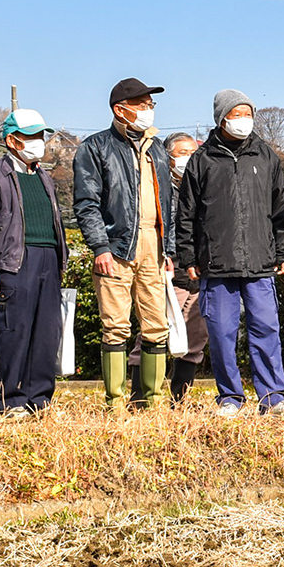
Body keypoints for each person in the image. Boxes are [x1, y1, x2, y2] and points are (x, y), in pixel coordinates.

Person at [176, 90, 284, 416]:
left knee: (266, 329)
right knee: (220, 333)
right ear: (222, 118)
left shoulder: (266, 156)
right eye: (237, 114)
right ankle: (230, 397)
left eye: (248, 113)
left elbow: (281, 210)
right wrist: (188, 258)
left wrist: (283, 252)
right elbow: (186, 214)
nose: (244, 120)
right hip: (216, 263)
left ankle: (273, 397)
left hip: (261, 261)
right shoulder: (202, 161)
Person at [73, 78, 173, 410]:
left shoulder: (156, 147)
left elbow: (168, 201)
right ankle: (115, 402)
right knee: (115, 325)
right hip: (115, 246)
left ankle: (151, 400)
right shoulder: (95, 147)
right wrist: (100, 246)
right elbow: (86, 203)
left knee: (156, 324)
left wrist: (167, 247)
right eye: (143, 105)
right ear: (121, 109)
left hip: (153, 245)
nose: (148, 111)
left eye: (150, 105)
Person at [0, 109, 69, 418]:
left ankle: (39, 400)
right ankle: (10, 402)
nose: (38, 142)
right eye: (30, 136)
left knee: (46, 334)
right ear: (12, 140)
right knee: (14, 332)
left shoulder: (43, 176)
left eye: (40, 135)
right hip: (14, 262)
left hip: (48, 260)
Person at [127, 132, 208, 404]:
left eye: (192, 153)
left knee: (195, 341)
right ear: (169, 156)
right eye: (182, 153)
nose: (188, 158)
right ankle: (140, 397)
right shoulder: (156, 188)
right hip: (167, 272)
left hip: (200, 274)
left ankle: (178, 399)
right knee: (153, 335)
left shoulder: (204, 187)